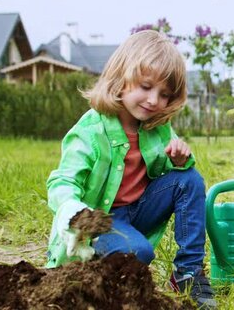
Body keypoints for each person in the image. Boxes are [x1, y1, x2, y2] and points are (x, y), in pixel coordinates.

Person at [45, 30, 217, 309]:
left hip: (138, 210)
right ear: (121, 78)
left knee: (189, 179)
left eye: (164, 94)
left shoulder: (155, 127)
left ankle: (188, 273)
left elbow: (162, 173)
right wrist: (71, 210)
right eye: (146, 87)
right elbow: (62, 181)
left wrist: (177, 161)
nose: (153, 100)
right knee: (137, 253)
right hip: (101, 221)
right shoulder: (90, 131)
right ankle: (93, 269)